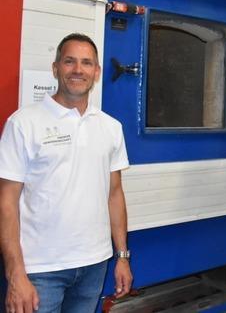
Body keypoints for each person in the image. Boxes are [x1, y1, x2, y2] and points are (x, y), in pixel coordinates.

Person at [0, 33, 132, 313]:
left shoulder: (111, 127)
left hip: (95, 263)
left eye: (86, 63)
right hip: (39, 269)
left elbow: (114, 194)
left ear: (96, 72)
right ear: (56, 67)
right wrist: (15, 272)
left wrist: (122, 255)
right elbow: (6, 201)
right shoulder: (23, 123)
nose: (78, 69)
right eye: (69, 61)